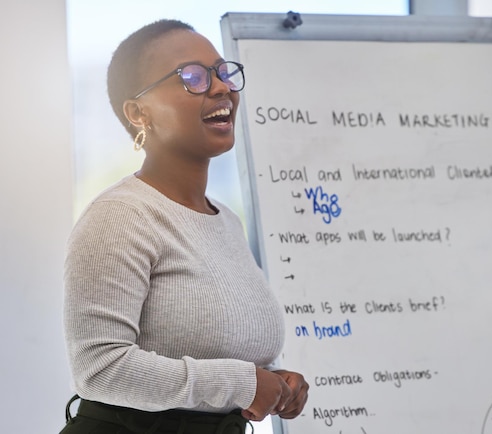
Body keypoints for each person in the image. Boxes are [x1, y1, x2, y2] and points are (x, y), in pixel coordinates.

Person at [59, 19, 308, 434]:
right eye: (192, 77)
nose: (221, 87)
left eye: (223, 72)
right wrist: (243, 384)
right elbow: (99, 368)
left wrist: (277, 382)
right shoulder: (120, 216)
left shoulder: (225, 222)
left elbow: (217, 354)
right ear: (139, 112)